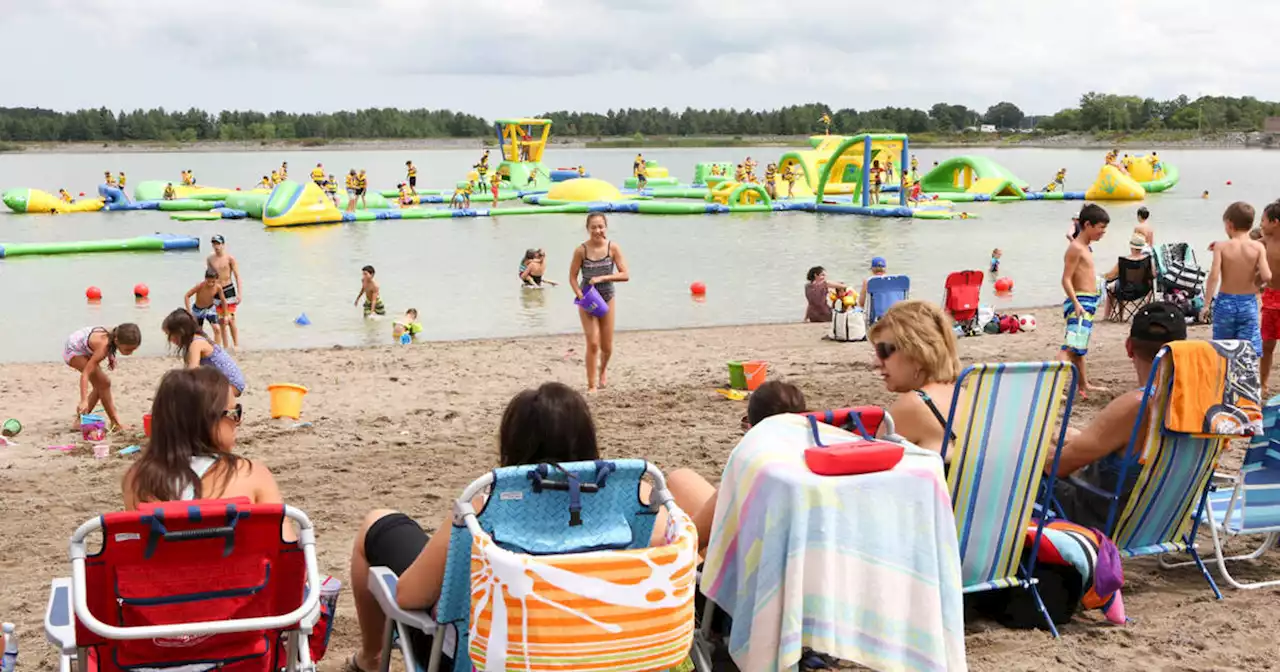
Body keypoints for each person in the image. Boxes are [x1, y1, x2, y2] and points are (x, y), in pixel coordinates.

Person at [347, 383, 611, 671]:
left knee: (376, 523)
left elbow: (409, 596)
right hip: (593, 653)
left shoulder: (481, 513)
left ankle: (370, 660)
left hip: (480, 659)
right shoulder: (637, 507)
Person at [1050, 303, 1187, 529]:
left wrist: (1036, 452)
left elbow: (1056, 467)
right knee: (1068, 438)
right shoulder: (1198, 403)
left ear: (1129, 347)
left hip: (1108, 519)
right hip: (1164, 519)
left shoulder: (1136, 406)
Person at [122, 367, 284, 516]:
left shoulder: (137, 479)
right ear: (207, 419)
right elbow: (286, 544)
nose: (238, 421)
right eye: (235, 412)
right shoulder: (252, 474)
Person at [868, 300, 962, 454]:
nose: (876, 362)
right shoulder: (966, 397)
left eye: (883, 351)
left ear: (918, 353)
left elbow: (871, 464)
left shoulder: (915, 405)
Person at [569, 213, 630, 391]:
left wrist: (602, 278)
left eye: (600, 226)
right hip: (587, 300)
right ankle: (591, 385)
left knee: (607, 346)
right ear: (588, 229)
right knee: (593, 342)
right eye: (593, 227)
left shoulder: (613, 248)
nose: (597, 230)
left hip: (607, 297)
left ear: (606, 227)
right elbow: (572, 277)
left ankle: (602, 370)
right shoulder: (581, 250)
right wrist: (579, 294)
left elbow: (625, 274)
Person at [1203, 202, 1270, 358]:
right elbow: (1267, 276)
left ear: (1229, 224)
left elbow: (1213, 276)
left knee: (1222, 348)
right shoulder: (1258, 247)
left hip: (1225, 302)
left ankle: (1225, 380)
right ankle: (1246, 380)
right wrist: (1255, 283)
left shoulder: (1221, 246)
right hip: (1248, 303)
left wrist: (1206, 305)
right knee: (1248, 349)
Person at [1061, 203, 1110, 398]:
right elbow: (1065, 279)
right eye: (1101, 228)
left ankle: (1083, 384)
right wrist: (1076, 303)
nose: (1103, 232)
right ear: (1088, 225)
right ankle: (1054, 386)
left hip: (1088, 301)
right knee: (1070, 346)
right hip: (1079, 301)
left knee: (1079, 347)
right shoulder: (1076, 248)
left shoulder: (1086, 248)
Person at [63, 324, 141, 430]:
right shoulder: (103, 347)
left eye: (133, 350)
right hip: (74, 350)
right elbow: (85, 374)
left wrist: (111, 356)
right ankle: (114, 423)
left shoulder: (114, 335)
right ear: (117, 341)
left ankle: (83, 420)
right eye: (128, 350)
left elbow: (110, 345)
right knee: (104, 383)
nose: (130, 353)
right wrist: (83, 400)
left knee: (102, 384)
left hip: (84, 342)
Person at [162, 308, 246, 396]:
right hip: (227, 382)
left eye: (169, 335)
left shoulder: (196, 343)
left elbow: (192, 372)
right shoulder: (197, 340)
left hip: (231, 384)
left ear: (180, 332)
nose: (170, 340)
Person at [208, 234, 243, 350]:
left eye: (218, 243)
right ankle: (226, 346)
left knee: (231, 319)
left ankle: (236, 344)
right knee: (221, 321)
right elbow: (209, 278)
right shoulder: (210, 259)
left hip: (228, 290)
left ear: (223, 244)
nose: (216, 246)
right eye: (214, 244)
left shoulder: (230, 259)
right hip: (216, 291)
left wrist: (239, 293)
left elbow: (237, 276)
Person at [1260, 202, 1280, 392]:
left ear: (1276, 222)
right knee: (1267, 344)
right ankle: (1263, 382)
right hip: (1270, 297)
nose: (1261, 224)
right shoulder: (1266, 239)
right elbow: (1246, 245)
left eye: (1264, 220)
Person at [184, 267, 226, 339]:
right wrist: (189, 312)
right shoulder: (200, 286)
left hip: (210, 309)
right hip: (198, 310)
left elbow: (223, 300)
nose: (210, 284)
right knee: (198, 332)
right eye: (208, 281)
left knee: (217, 329)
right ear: (205, 278)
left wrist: (225, 315)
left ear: (216, 279)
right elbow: (187, 296)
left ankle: (217, 349)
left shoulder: (218, 287)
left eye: (213, 282)